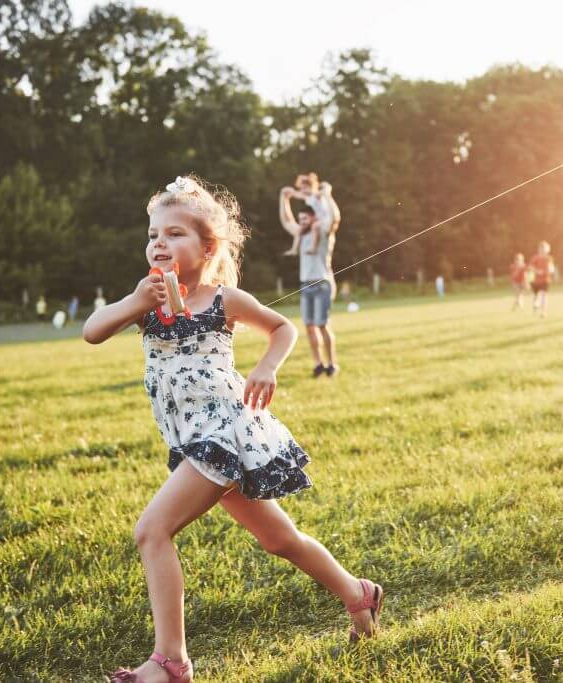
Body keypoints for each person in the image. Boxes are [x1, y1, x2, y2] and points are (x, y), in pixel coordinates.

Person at [84, 175, 382, 683]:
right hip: (192, 441)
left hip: (223, 434)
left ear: (208, 247)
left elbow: (283, 328)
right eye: (154, 233)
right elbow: (92, 331)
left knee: (152, 531)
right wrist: (137, 301)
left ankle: (170, 662)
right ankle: (359, 594)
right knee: (280, 539)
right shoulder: (145, 301)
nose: (159, 242)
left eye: (175, 233)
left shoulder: (224, 300)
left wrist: (266, 366)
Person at [279, 172, 341, 378]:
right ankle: (318, 364)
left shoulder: (322, 232)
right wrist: (284, 198)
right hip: (305, 284)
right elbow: (286, 220)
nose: (301, 220)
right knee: (309, 326)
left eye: (306, 217)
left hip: (323, 283)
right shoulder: (301, 233)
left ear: (314, 217)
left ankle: (332, 364)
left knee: (322, 325)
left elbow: (333, 217)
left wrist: (328, 195)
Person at [528, 241, 555, 318]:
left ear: (547, 250)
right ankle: (535, 307)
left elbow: (551, 268)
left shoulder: (549, 258)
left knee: (544, 295)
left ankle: (543, 312)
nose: (543, 250)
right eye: (541, 248)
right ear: (539, 249)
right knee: (536, 296)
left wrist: (551, 270)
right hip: (536, 280)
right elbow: (530, 267)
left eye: (544, 249)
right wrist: (537, 271)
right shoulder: (535, 258)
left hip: (546, 280)